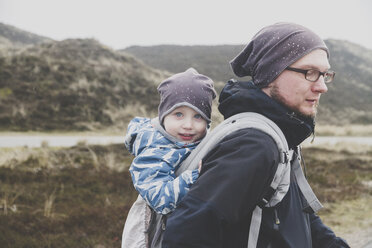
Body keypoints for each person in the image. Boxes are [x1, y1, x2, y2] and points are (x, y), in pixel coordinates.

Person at [162, 23, 350, 247]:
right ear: (271, 73)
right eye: (309, 73)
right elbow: (186, 234)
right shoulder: (255, 145)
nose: (322, 87)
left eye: (324, 74)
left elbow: (297, 218)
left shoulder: (280, 136)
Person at [122, 68, 216, 247]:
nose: (188, 125)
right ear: (163, 116)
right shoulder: (154, 149)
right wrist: (195, 176)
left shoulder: (199, 142)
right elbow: (161, 200)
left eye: (198, 116)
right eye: (178, 114)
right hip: (150, 234)